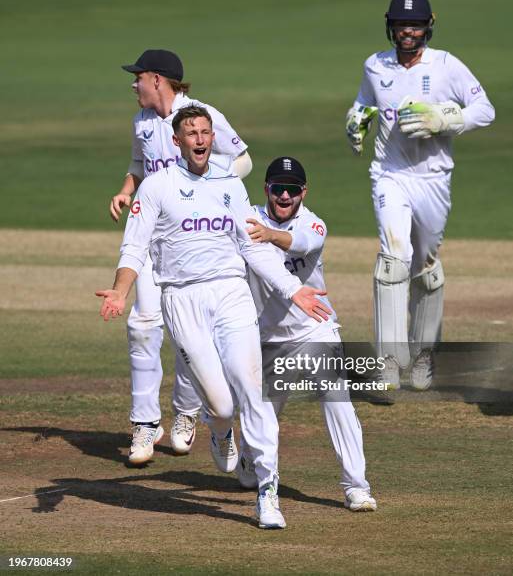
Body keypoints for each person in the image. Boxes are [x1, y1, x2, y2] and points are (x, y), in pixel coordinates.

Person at [97, 105, 332, 529]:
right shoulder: (157, 186)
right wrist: (120, 290)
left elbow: (253, 244)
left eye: (206, 132)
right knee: (222, 404)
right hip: (182, 300)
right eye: (192, 133)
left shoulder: (229, 181)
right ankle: (220, 427)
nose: (201, 139)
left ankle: (267, 491)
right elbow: (133, 248)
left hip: (231, 292)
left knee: (251, 389)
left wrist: (293, 289)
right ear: (177, 141)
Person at [171, 156, 377, 512]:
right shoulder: (245, 217)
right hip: (264, 339)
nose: (284, 196)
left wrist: (269, 235)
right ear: (266, 188)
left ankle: (356, 487)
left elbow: (300, 244)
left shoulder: (314, 224)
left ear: (303, 192)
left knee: (337, 400)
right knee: (260, 419)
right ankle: (250, 459)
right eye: (277, 188)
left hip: (314, 328)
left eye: (292, 189)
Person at [345, 0, 495, 389]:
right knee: (394, 258)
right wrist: (357, 119)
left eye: (413, 24)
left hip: (433, 177)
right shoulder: (375, 65)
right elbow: (365, 103)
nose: (406, 31)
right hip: (390, 174)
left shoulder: (447, 66)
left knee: (425, 269)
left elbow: (485, 110)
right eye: (399, 24)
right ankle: (389, 358)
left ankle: (425, 351)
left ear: (428, 25)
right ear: (389, 27)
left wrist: (443, 119)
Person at [110, 49, 252, 464]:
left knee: (194, 333)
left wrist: (205, 188)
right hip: (155, 240)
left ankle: (187, 413)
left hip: (197, 243)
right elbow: (139, 166)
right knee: (142, 327)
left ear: (157, 79)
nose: (133, 84)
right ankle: (144, 425)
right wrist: (126, 190)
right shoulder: (141, 122)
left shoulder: (201, 116)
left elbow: (241, 160)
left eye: (138, 77)